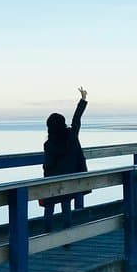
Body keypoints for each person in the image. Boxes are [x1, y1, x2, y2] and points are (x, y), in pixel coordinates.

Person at [41, 87, 89, 233]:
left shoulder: (49, 144)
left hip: (52, 181)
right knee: (66, 207)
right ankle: (67, 238)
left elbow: (48, 164)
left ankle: (47, 234)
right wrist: (83, 99)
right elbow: (76, 120)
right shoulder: (71, 136)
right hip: (68, 179)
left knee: (49, 209)